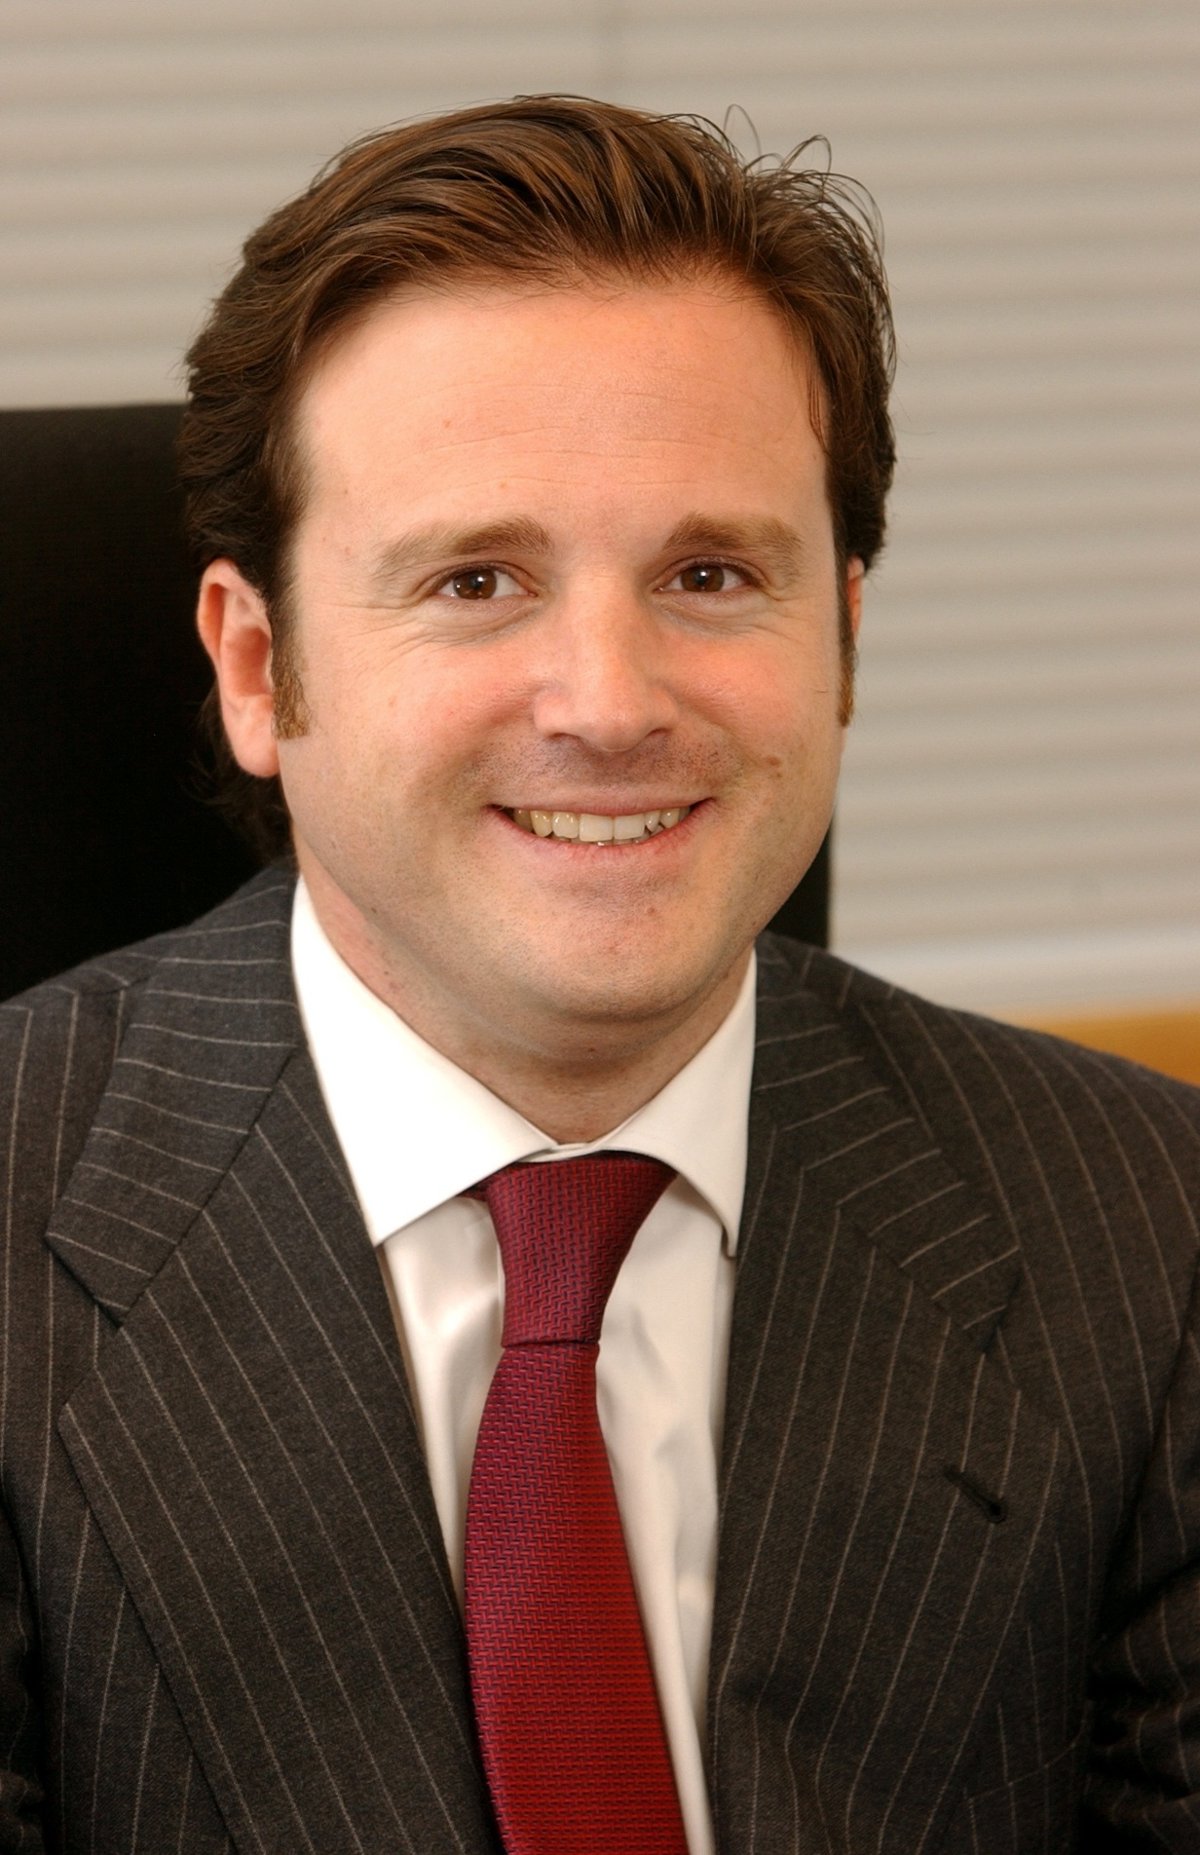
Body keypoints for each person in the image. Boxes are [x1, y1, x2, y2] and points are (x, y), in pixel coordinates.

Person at [1, 95, 1198, 1855]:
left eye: (710, 573)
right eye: (477, 579)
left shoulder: (1152, 1234)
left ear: (844, 640)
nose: (613, 702)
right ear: (259, 669)